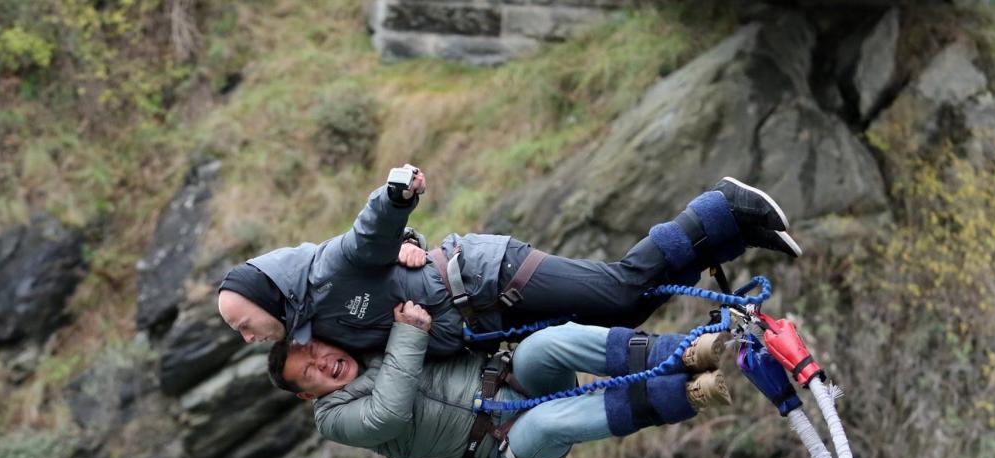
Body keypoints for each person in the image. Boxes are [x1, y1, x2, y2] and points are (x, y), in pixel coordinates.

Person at [218, 164, 800, 357]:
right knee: (627, 314)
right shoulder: (318, 330)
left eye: (244, 324)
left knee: (623, 292)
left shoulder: (326, 277)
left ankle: (718, 207)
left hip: (487, 275)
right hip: (490, 316)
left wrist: (396, 196)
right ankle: (730, 233)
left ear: (272, 294)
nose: (247, 338)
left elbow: (364, 239)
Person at [266, 299, 734, 458]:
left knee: (544, 344)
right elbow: (386, 413)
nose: (322, 363)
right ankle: (691, 394)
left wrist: (410, 243)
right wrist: (408, 334)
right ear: (308, 395)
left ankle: (690, 351)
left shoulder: (368, 337)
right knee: (552, 420)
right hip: (505, 445)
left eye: (314, 352)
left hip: (513, 376)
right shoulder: (331, 420)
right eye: (308, 373)